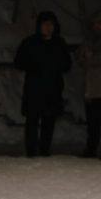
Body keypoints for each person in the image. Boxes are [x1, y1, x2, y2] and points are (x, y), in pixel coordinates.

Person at [14, 11, 72, 157]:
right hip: (34, 89)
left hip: (52, 89)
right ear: (39, 26)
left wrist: (55, 66)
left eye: (51, 24)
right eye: (45, 24)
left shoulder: (59, 43)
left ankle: (45, 151)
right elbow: (19, 62)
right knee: (32, 121)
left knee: (49, 121)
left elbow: (67, 64)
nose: (48, 28)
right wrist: (34, 65)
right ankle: (31, 152)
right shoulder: (30, 42)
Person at [77, 11, 101, 158]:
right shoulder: (88, 42)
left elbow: (90, 60)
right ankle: (91, 149)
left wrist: (90, 58)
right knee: (92, 122)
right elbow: (80, 58)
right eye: (97, 23)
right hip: (91, 90)